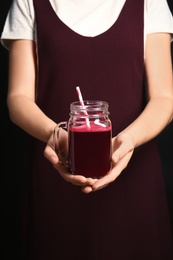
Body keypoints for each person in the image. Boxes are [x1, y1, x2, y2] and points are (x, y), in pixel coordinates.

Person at [1, 0, 173, 259]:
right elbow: (18, 98)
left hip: (135, 184)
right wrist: (58, 136)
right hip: (55, 181)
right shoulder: (27, 2)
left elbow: (165, 98)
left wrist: (127, 141)